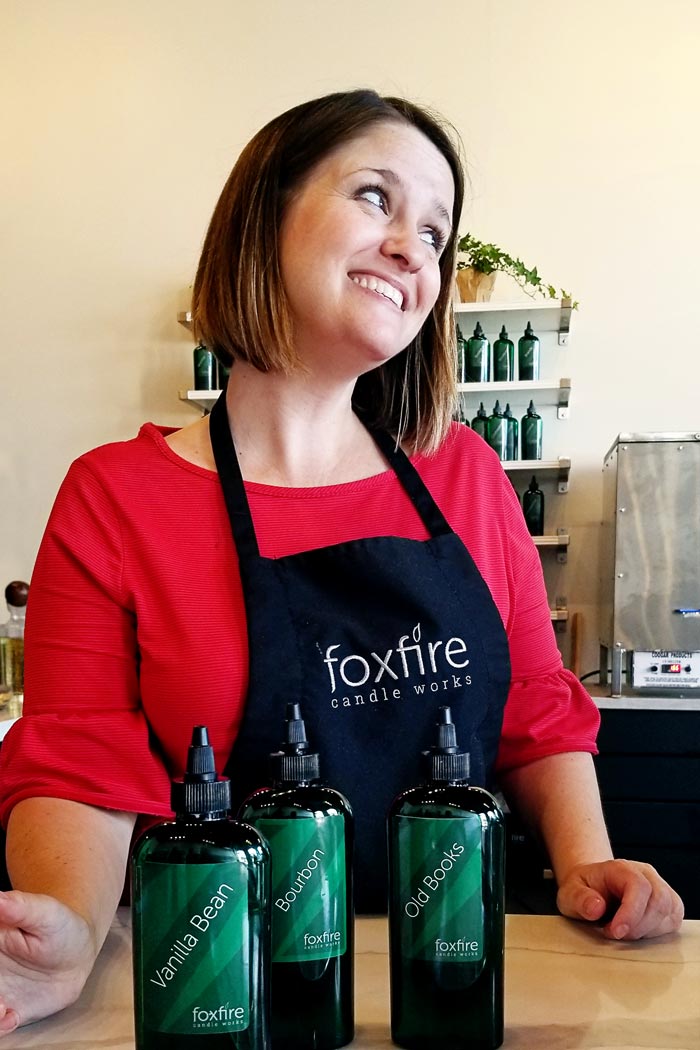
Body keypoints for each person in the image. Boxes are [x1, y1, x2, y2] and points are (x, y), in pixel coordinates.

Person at [0, 88, 683, 1034]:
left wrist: (587, 866)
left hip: (459, 971)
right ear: (262, 215)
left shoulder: (465, 477)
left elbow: (531, 706)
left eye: (437, 233)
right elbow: (82, 761)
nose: (415, 247)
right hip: (220, 988)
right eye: (376, 198)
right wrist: (69, 932)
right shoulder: (117, 496)